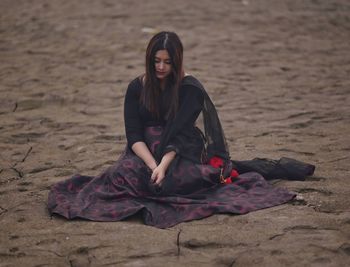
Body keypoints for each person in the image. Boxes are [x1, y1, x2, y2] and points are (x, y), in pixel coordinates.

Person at [48, 31, 315, 228]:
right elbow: (134, 136)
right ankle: (163, 171)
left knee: (177, 184)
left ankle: (261, 169)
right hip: (145, 152)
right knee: (120, 175)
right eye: (156, 61)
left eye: (167, 62)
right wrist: (153, 166)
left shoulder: (190, 89)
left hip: (182, 149)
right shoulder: (136, 87)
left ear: (177, 62)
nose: (161, 67)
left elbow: (178, 134)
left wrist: (163, 167)